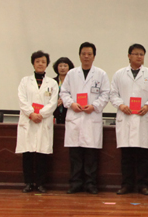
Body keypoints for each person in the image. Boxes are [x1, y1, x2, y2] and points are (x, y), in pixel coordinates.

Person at [60, 42, 111, 194]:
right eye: (83, 54)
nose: (86, 56)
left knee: (91, 155)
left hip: (91, 117)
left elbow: (105, 94)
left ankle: (90, 184)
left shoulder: (101, 74)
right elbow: (64, 92)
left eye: (89, 54)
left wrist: (94, 106)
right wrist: (71, 104)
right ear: (79, 55)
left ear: (94, 56)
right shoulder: (71, 74)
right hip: (75, 116)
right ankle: (75, 183)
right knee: (75, 155)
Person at [109, 44, 148, 195]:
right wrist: (121, 105)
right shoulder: (119, 74)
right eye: (136, 54)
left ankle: (143, 185)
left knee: (143, 156)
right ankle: (127, 185)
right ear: (129, 56)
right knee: (126, 156)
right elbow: (113, 94)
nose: (139, 57)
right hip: (126, 117)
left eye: (141, 54)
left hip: (142, 118)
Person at [15, 50, 58, 193]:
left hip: (43, 121)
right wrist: (31, 113)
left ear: (47, 64)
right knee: (27, 154)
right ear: (33, 63)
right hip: (29, 120)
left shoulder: (52, 83)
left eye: (43, 62)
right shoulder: (25, 81)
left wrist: (41, 114)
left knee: (42, 154)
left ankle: (40, 183)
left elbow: (53, 103)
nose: (40, 64)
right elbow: (22, 99)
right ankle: (28, 183)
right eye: (37, 61)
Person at [52, 57, 74, 124]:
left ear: (69, 68)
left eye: (65, 66)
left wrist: (64, 100)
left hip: (69, 112)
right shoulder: (52, 81)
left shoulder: (73, 82)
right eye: (60, 66)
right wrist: (56, 101)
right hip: (55, 112)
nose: (62, 68)